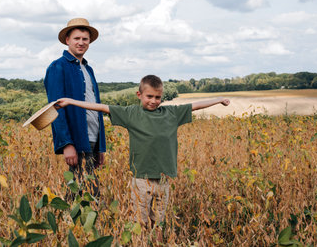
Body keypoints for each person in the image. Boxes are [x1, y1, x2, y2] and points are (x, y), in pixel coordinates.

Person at [56, 75, 230, 243]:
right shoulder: (131, 113)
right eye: (149, 96)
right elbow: (102, 107)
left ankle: (157, 242)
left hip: (164, 178)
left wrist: (219, 99)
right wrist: (71, 101)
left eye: (158, 97)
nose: (153, 101)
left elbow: (195, 105)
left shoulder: (171, 113)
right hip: (141, 178)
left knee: (159, 221)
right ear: (139, 95)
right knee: (140, 220)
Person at [44, 18, 106, 199]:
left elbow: (96, 106)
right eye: (76, 38)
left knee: (81, 190)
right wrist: (67, 144)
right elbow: (55, 108)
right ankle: (70, 224)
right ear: (67, 40)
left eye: (85, 39)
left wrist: (100, 147)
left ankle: (69, 224)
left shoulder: (89, 69)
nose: (81, 43)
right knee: (88, 192)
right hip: (77, 139)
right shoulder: (57, 67)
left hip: (93, 138)